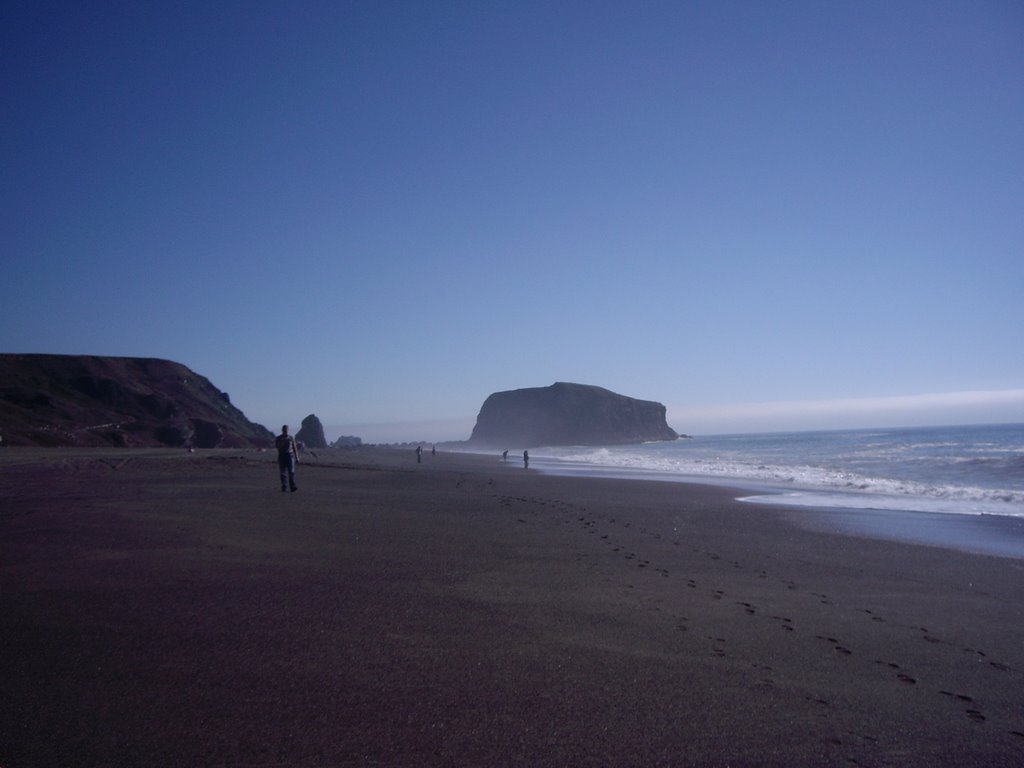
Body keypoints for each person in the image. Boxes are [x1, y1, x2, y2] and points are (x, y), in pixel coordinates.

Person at [275, 425, 298, 492]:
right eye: (284, 429)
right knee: (283, 472)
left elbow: (294, 447)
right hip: (282, 455)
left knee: (291, 471)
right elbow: (277, 446)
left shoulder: (291, 437)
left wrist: (297, 456)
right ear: (282, 430)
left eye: (286, 429)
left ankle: (292, 486)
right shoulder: (279, 438)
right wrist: (282, 442)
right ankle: (284, 485)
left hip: (290, 455)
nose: (285, 431)